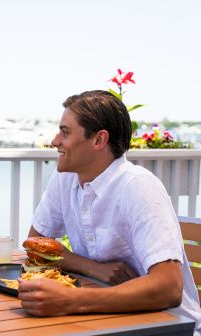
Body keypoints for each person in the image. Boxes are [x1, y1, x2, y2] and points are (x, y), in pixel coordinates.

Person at [19, 90, 201, 333]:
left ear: (98, 140)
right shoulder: (66, 178)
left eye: (65, 132)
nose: (55, 141)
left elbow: (168, 287)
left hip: (168, 326)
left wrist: (70, 301)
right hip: (106, 322)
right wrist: (91, 267)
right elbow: (35, 244)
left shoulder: (137, 187)